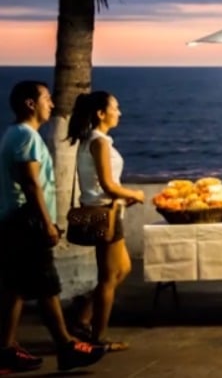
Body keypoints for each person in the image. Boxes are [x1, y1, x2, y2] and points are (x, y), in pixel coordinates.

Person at [0, 81, 106, 373]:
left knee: (17, 288)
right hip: (27, 220)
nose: (52, 104)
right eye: (46, 98)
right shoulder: (26, 136)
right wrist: (47, 223)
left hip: (15, 219)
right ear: (30, 104)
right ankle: (66, 346)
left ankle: (6, 350)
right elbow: (31, 183)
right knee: (46, 285)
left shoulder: (14, 134)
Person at [67, 91, 145, 352]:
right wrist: (134, 194)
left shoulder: (93, 140)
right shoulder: (99, 142)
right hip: (105, 213)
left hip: (107, 209)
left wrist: (123, 198)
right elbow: (109, 185)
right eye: (115, 107)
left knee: (122, 270)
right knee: (109, 277)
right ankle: (97, 338)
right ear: (101, 113)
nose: (119, 112)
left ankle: (82, 317)